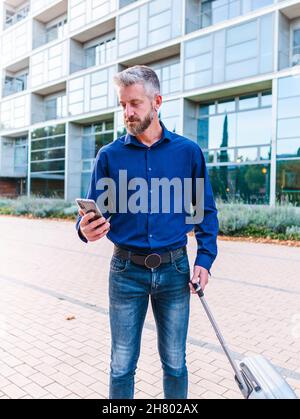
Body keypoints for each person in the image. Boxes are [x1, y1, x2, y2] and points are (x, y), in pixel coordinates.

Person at [76, 65, 219, 399]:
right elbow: (94, 211)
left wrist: (205, 260)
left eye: (135, 103)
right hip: (125, 272)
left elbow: (205, 213)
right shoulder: (109, 156)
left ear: (157, 102)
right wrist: (85, 230)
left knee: (175, 363)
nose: (127, 112)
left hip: (175, 271)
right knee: (122, 364)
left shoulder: (187, 153)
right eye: (123, 104)